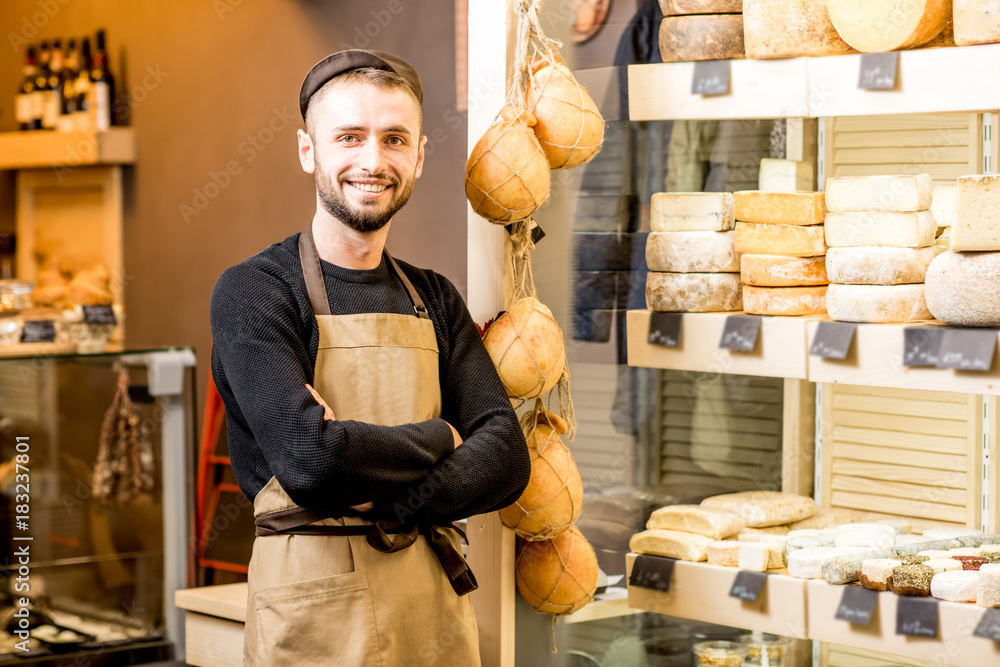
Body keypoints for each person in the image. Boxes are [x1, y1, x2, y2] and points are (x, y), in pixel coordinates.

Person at [209, 49, 531, 667]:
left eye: (394, 139)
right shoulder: (256, 290)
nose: (372, 161)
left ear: (418, 156)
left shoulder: (433, 296)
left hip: (432, 609)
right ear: (309, 150)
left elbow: (506, 456)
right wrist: (443, 435)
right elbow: (308, 462)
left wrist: (391, 499)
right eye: (349, 137)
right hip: (314, 616)